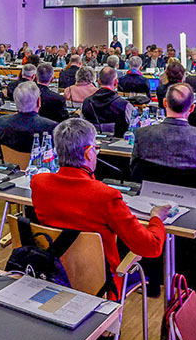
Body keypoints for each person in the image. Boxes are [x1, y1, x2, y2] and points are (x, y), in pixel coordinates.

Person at [29, 118, 168, 298]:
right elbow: (151, 247)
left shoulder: (39, 183)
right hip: (101, 286)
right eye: (95, 148)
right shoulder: (106, 196)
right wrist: (156, 218)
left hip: (54, 274)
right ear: (88, 153)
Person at [131, 83, 196, 189]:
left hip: (152, 198)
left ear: (165, 103)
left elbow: (134, 171)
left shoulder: (142, 134)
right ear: (192, 108)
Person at [0, 82, 57, 153]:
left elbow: (0, 148)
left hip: (9, 163)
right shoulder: (51, 127)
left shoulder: (2, 122)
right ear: (38, 101)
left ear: (15, 101)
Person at [82, 67, 131, 137]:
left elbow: (83, 126)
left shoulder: (86, 102)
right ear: (116, 82)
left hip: (92, 142)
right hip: (119, 144)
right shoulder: (125, 105)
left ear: (98, 81)